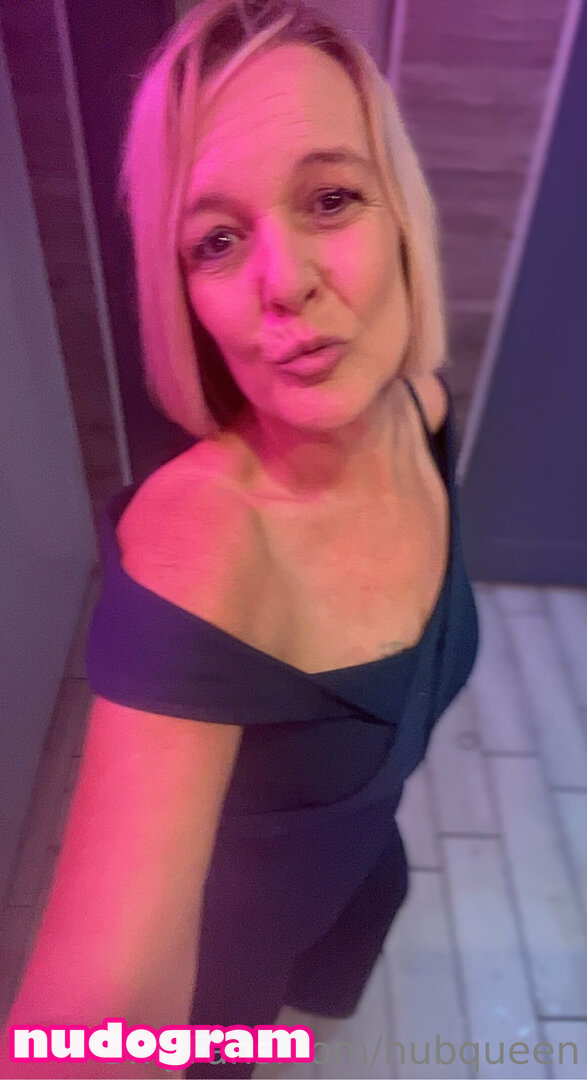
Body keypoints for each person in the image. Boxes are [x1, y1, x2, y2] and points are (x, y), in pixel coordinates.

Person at [1, 1, 479, 1077]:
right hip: (222, 986)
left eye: (330, 198)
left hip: (354, 885)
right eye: (216, 241)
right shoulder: (204, 552)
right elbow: (98, 1006)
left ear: (399, 211)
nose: (283, 280)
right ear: (184, 294)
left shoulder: (422, 411)